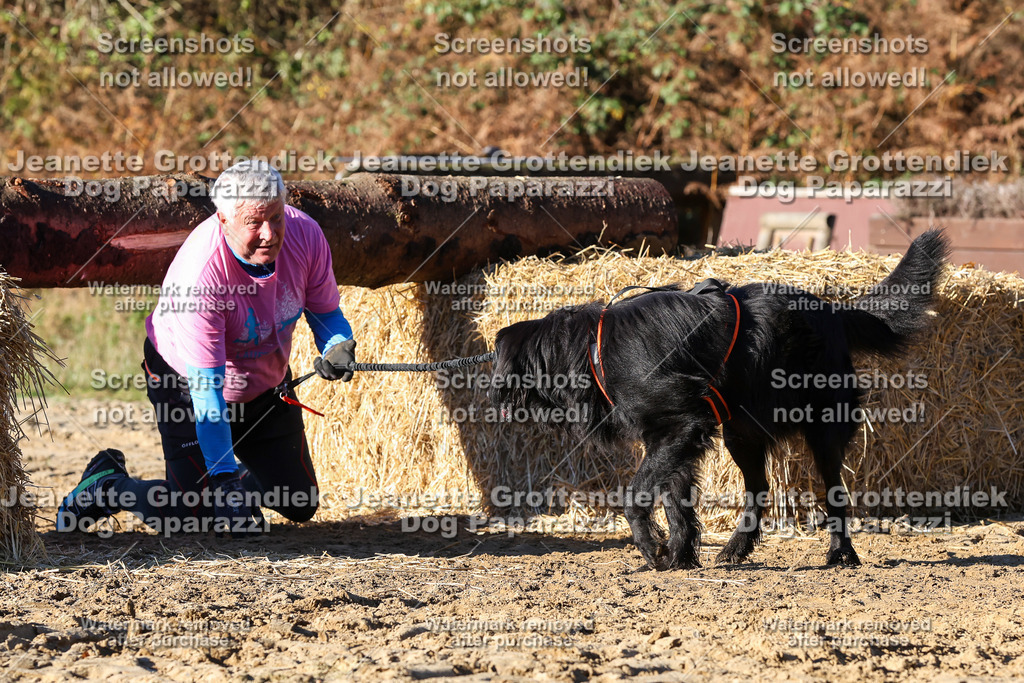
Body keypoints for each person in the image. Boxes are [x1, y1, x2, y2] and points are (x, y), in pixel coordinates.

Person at [57, 160, 356, 537]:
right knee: (188, 518)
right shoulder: (200, 279)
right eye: (254, 223)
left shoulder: (305, 235)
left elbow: (326, 311)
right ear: (224, 219)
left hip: (264, 383)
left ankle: (231, 490)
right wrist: (225, 481)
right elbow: (206, 392)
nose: (270, 234)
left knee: (299, 502)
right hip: (187, 385)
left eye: (276, 218)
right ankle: (108, 486)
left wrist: (337, 345)